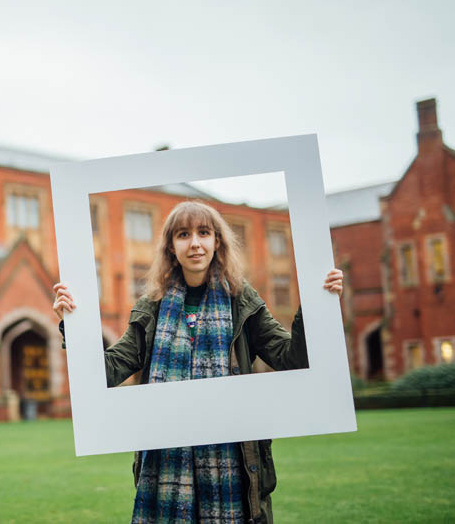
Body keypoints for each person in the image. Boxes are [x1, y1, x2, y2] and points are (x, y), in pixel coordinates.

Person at [52, 200, 343, 524]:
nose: (194, 243)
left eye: (203, 233)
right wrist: (75, 327)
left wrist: (316, 305)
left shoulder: (242, 301)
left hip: (234, 474)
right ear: (170, 246)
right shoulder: (151, 308)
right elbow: (104, 373)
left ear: (217, 241)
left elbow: (292, 358)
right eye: (183, 234)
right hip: (164, 472)